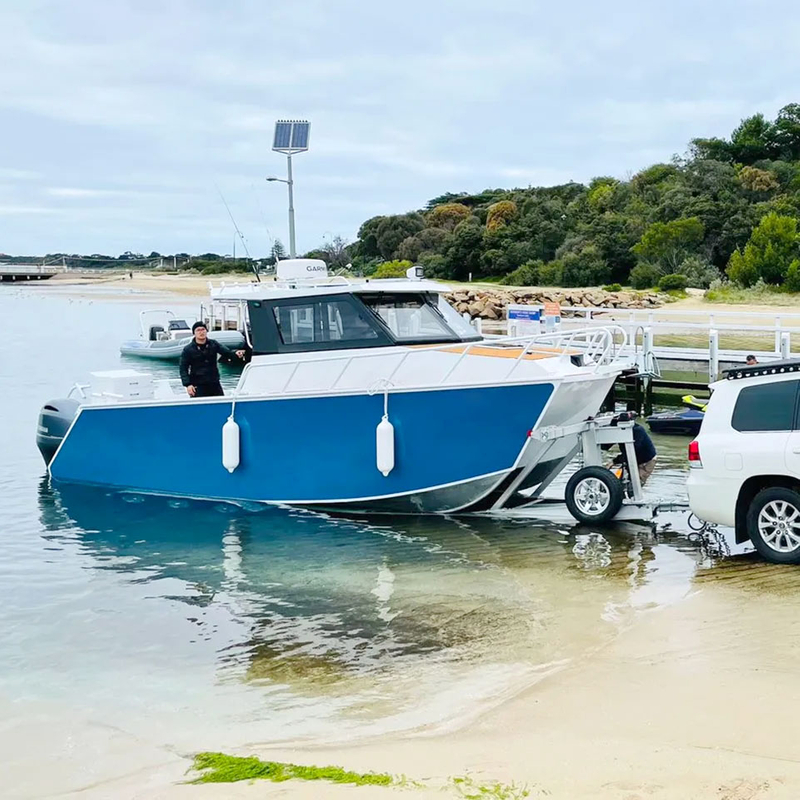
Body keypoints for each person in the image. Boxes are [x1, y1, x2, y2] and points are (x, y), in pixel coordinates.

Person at [179, 322, 245, 397]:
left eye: (203, 329)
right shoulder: (188, 349)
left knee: (221, 404)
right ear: (194, 333)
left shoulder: (213, 344)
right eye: (198, 330)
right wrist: (188, 385)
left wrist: (236, 354)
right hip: (198, 384)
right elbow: (183, 368)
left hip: (214, 382)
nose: (201, 332)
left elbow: (227, 353)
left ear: (206, 331)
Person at [610, 412, 658, 487]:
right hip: (632, 459)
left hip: (646, 461)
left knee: (635, 485)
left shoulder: (638, 431)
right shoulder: (618, 430)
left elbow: (632, 452)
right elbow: (605, 446)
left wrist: (614, 461)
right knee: (621, 481)